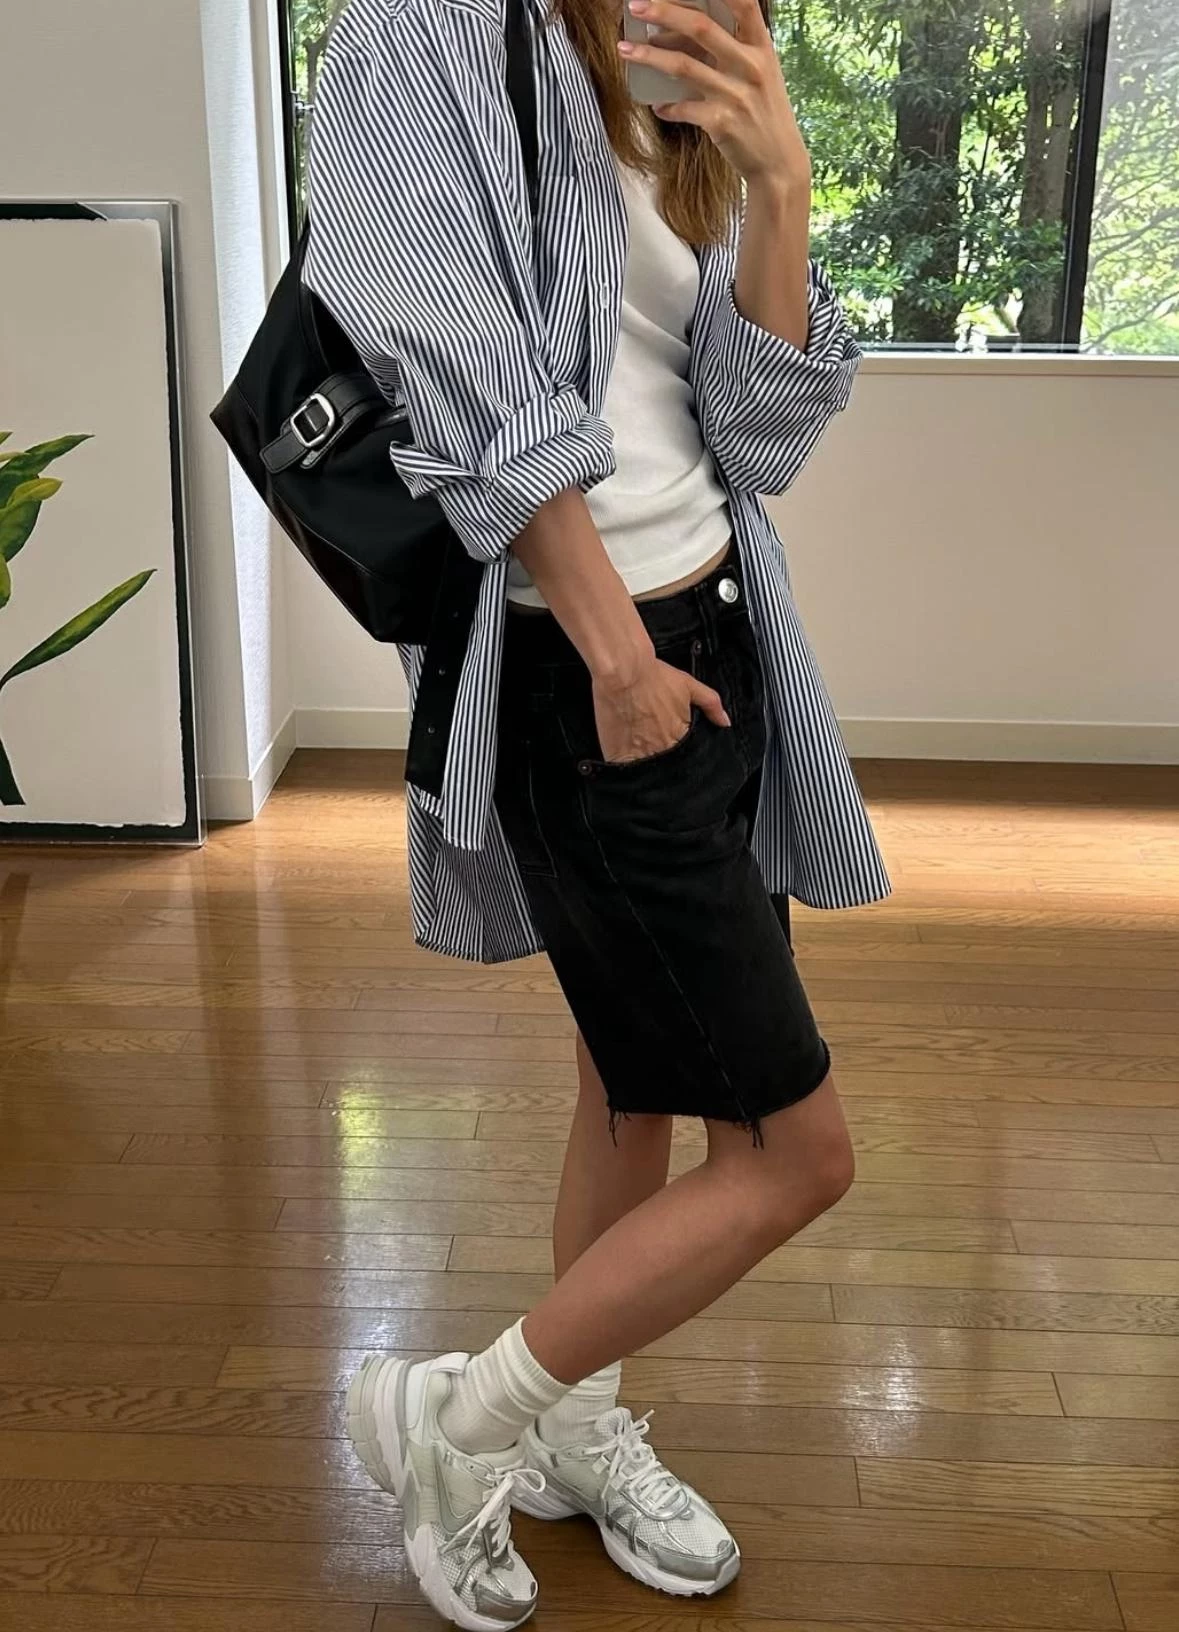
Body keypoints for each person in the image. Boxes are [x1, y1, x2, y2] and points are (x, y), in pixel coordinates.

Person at [306, 0, 889, 1624]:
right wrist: (621, 665)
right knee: (795, 1153)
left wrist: (778, 184)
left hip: (720, 633)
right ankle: (461, 1422)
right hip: (588, 674)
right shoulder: (418, 36)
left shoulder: (686, 36)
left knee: (631, 1091)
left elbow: (756, 433)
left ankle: (570, 1425)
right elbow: (461, 386)